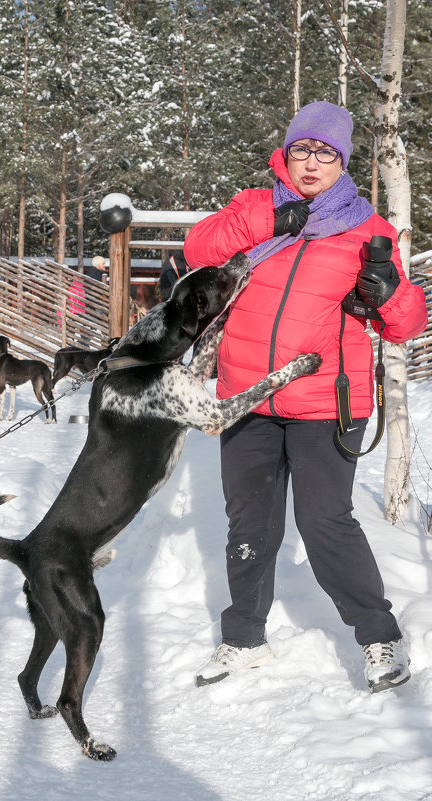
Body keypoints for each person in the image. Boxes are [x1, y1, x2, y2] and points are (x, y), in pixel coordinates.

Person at [184, 101, 428, 693]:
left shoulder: (367, 229)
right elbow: (199, 251)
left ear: (342, 162)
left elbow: (405, 325)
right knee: (250, 524)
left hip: (328, 402)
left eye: (326, 153)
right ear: (286, 153)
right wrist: (270, 220)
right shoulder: (255, 204)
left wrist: (388, 291)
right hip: (247, 398)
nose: (312, 162)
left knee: (325, 523)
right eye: (302, 150)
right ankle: (243, 639)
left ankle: (380, 637)